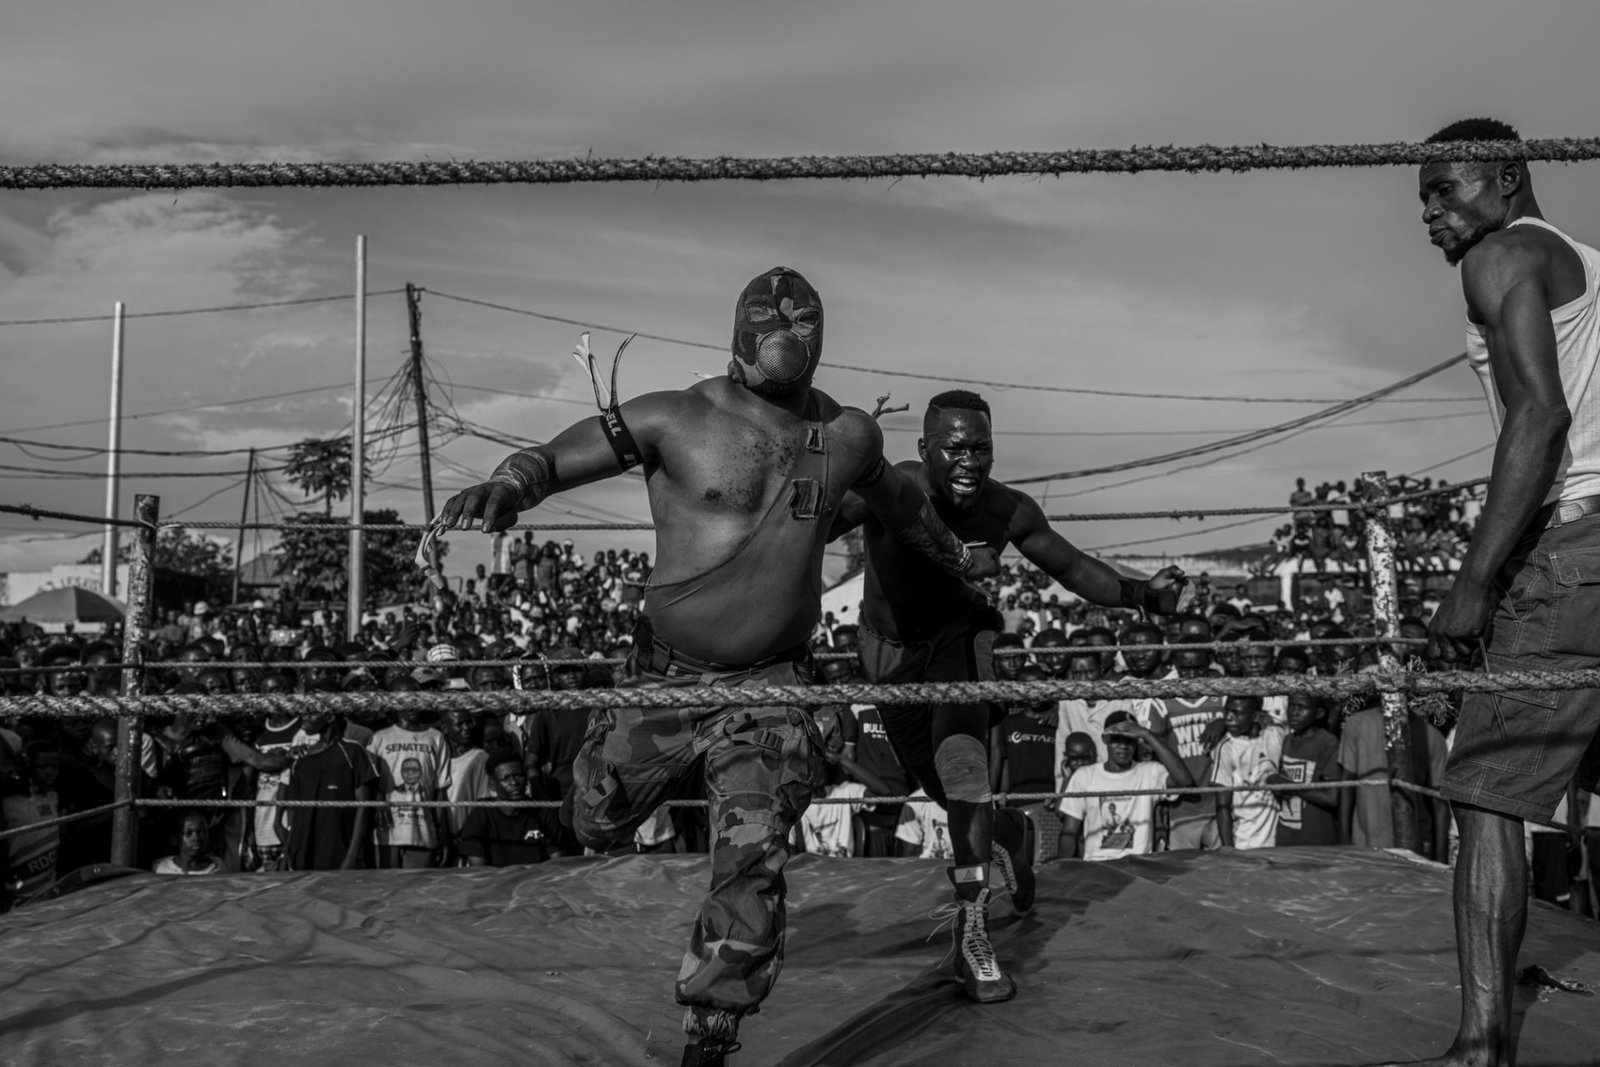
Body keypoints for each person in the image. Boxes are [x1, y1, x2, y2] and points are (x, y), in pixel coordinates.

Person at [439, 266, 998, 1065]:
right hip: (665, 679)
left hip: (770, 688)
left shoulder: (846, 437)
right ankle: (617, 781)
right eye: (773, 318)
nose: (787, 330)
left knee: (753, 843)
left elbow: (903, 508)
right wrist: (510, 483)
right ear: (740, 331)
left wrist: (954, 557)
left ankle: (712, 1030)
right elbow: (561, 457)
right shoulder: (677, 414)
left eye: (803, 319)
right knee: (594, 816)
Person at [1364, 119, 1600, 1067]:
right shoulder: (1587, 262)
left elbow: (1540, 417)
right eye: (1422, 196)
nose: (1429, 213)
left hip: (1574, 545)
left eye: (1442, 189)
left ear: (1505, 177)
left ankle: (1483, 1043)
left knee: (1488, 793)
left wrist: (1469, 585)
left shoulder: (1501, 255)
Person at [828, 388, 1190, 1003]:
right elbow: (811, 525)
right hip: (888, 653)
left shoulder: (1007, 509)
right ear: (924, 449)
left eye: (982, 449)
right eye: (955, 448)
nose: (970, 461)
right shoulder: (893, 487)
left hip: (961, 639)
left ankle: (973, 932)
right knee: (944, 793)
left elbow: (1072, 568)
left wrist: (1141, 596)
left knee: (963, 767)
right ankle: (1013, 837)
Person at [1058, 710, 1194, 862]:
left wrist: (1146, 734)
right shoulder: (1085, 776)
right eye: (1117, 739)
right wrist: (1063, 871)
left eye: (1129, 740)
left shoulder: (1150, 772)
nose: (1123, 746)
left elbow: (1185, 781)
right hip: (1097, 867)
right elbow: (1069, 831)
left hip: (1139, 868)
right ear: (1106, 739)